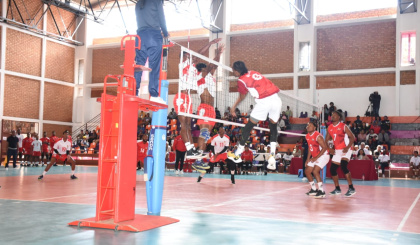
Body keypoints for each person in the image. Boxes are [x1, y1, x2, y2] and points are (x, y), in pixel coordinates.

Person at [227, 61, 281, 172]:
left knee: (248, 126)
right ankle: (272, 156)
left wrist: (233, 107)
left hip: (264, 102)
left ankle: (238, 153)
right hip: (276, 100)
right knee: (273, 126)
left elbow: (242, 97)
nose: (233, 73)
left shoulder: (241, 80)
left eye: (233, 71)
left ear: (237, 71)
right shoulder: (253, 72)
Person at [173, 38, 221, 158]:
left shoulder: (194, 71)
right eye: (187, 55)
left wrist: (218, 54)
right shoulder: (183, 64)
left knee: (188, 125)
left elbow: (210, 66)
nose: (190, 57)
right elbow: (197, 55)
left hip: (189, 98)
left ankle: (191, 150)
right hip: (182, 96)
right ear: (183, 58)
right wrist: (210, 44)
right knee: (184, 124)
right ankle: (190, 149)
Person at [134, 0, 169, 104]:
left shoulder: (138, 3)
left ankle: (134, 91)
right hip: (153, 35)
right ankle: (153, 94)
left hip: (139, 36)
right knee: (154, 66)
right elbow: (162, 18)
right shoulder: (156, 1)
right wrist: (165, 32)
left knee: (139, 65)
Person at [195, 44, 225, 152]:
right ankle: (198, 156)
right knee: (204, 132)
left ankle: (200, 156)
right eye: (206, 69)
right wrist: (218, 53)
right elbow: (212, 65)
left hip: (211, 109)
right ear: (201, 70)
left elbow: (214, 66)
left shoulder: (209, 77)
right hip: (204, 107)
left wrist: (219, 55)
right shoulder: (200, 77)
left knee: (207, 134)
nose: (209, 70)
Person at [326, 111, 356, 197]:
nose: (333, 116)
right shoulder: (330, 127)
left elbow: (352, 137)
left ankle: (351, 188)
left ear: (339, 117)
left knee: (343, 166)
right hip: (337, 150)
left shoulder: (343, 126)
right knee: (332, 169)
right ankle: (337, 189)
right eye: (332, 115)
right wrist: (329, 148)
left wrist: (348, 147)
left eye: (335, 115)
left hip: (346, 149)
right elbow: (326, 140)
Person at [304, 120, 329, 198]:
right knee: (307, 171)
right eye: (307, 125)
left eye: (310, 125)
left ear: (314, 127)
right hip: (315, 156)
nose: (308, 127)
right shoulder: (307, 136)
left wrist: (315, 158)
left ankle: (321, 191)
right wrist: (308, 159)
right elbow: (310, 148)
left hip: (324, 155)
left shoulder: (318, 136)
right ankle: (314, 189)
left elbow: (325, 148)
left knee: (315, 171)